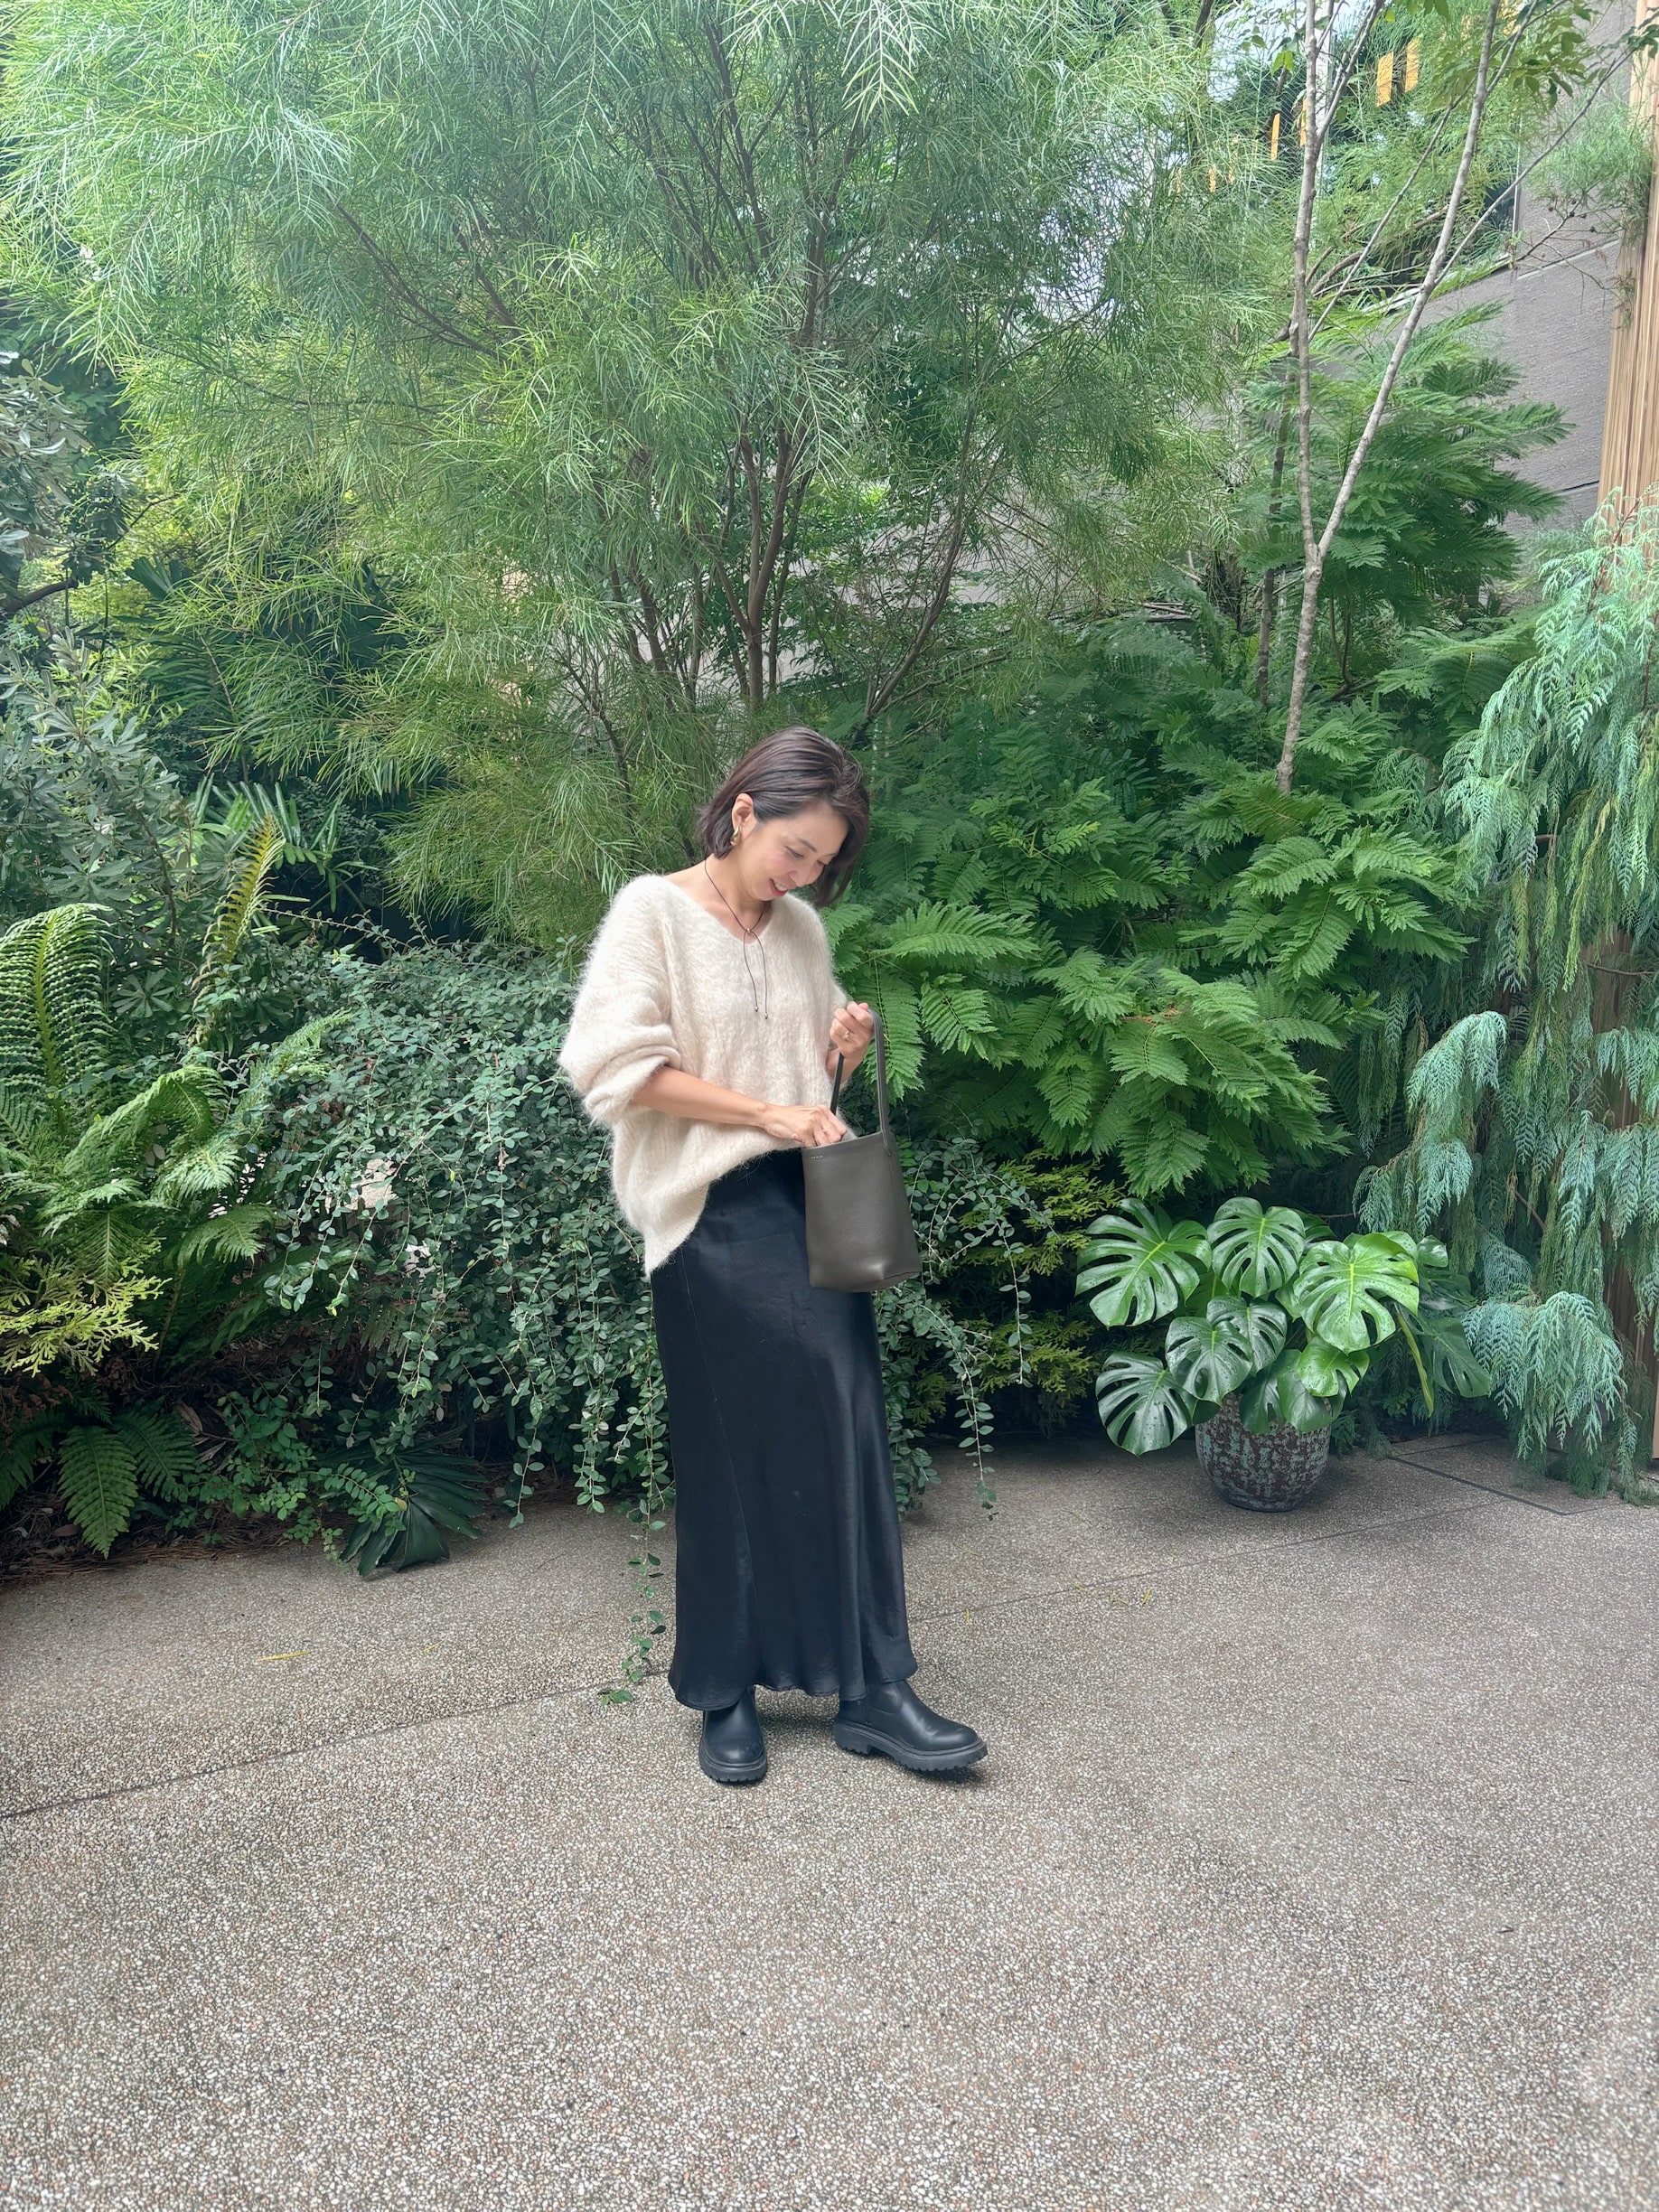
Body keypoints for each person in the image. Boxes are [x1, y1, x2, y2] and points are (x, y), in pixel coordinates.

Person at [559, 726, 987, 1786]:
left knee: (847, 1421)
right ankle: (726, 1692)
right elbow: (613, 1070)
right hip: (706, 1208)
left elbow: (807, 1095)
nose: (803, 874)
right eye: (796, 849)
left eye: (822, 862)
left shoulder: (798, 929)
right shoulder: (652, 913)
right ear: (744, 812)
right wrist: (763, 1111)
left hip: (808, 1200)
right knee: (728, 1444)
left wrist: (837, 1055)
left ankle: (873, 1686)